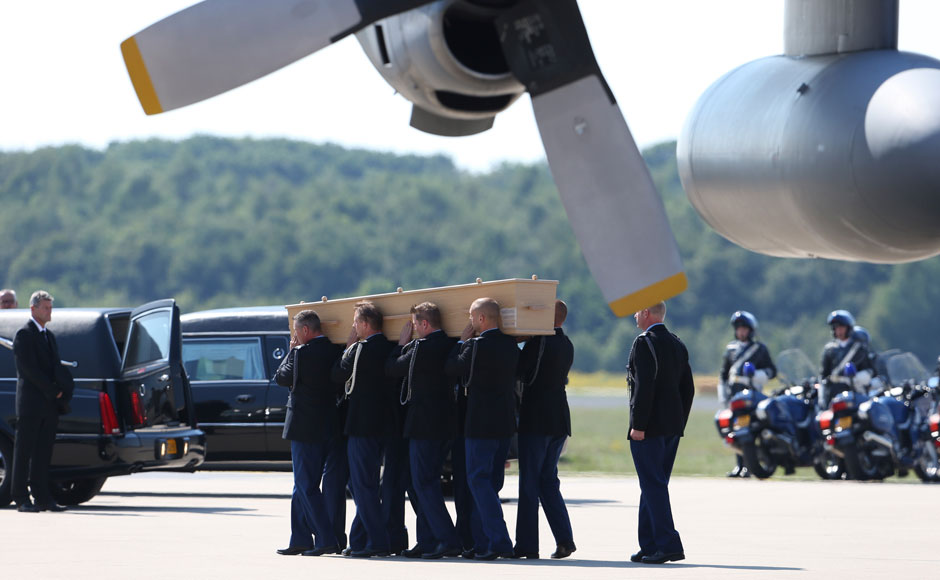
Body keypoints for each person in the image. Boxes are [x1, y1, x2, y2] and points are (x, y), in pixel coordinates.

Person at [386, 302, 462, 559]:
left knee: (423, 483)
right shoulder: (451, 344)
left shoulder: (422, 347)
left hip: (424, 426)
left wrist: (400, 344)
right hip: (444, 425)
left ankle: (447, 539)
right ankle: (427, 539)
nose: (414, 329)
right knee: (419, 482)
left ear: (425, 324)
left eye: (415, 324)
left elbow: (393, 368)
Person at [445, 297, 518, 560]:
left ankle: (497, 542)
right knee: (491, 483)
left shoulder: (476, 346)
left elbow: (452, 368)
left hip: (480, 424)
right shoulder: (512, 345)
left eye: (472, 317)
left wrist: (461, 343)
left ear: (481, 319)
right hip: (504, 424)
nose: (470, 322)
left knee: (478, 480)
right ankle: (483, 539)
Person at [627, 301, 694, 565]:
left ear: (646, 313)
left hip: (649, 428)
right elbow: (687, 389)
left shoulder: (645, 343)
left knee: (652, 485)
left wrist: (639, 425)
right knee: (653, 484)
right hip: (671, 428)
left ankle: (668, 545)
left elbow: (643, 388)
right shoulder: (677, 343)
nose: (634, 315)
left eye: (636, 310)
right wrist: (679, 423)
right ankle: (650, 543)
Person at [332, 301, 400, 558]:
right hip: (386, 424)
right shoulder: (392, 346)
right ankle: (360, 539)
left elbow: (338, 375)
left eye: (355, 322)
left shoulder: (360, 349)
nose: (352, 326)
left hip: (363, 425)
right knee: (366, 485)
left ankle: (378, 541)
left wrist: (348, 346)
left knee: (362, 485)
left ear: (363, 324)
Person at [274, 310, 344, 556]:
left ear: (305, 331)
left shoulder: (301, 353)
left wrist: (291, 351)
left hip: (305, 428)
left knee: (306, 485)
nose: (295, 336)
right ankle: (300, 537)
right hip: (329, 426)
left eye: (296, 331)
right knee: (301, 486)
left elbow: (281, 378)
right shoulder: (336, 350)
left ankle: (325, 538)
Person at [513, 299, 576, 560]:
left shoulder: (539, 343)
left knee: (529, 483)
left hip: (538, 420)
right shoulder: (567, 343)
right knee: (548, 482)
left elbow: (523, 372)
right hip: (559, 420)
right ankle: (564, 539)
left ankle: (527, 545)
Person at [11, 290, 69, 512]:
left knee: (43, 453)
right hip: (31, 404)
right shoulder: (24, 334)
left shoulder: (49, 336)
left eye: (50, 307)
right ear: (33, 308)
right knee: (23, 452)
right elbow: (28, 370)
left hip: (49, 405)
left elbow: (55, 366)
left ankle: (43, 497)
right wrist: (52, 390)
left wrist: (62, 388)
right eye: (45, 307)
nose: (49, 311)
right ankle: (21, 497)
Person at [718, 310, 777, 478]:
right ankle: (740, 465)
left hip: (752, 396)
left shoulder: (759, 349)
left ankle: (750, 465)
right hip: (735, 396)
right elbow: (724, 375)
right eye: (738, 328)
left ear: (750, 330)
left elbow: (771, 371)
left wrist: (757, 375)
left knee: (750, 431)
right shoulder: (730, 350)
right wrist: (723, 397)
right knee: (736, 429)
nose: (741, 332)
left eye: (744, 328)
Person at [819, 310, 874, 407]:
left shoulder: (858, 348)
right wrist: (822, 397)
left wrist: (856, 378)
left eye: (841, 327)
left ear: (848, 328)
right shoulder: (829, 349)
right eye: (836, 328)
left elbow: (868, 370)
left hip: (854, 391)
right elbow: (824, 375)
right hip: (834, 392)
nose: (839, 331)